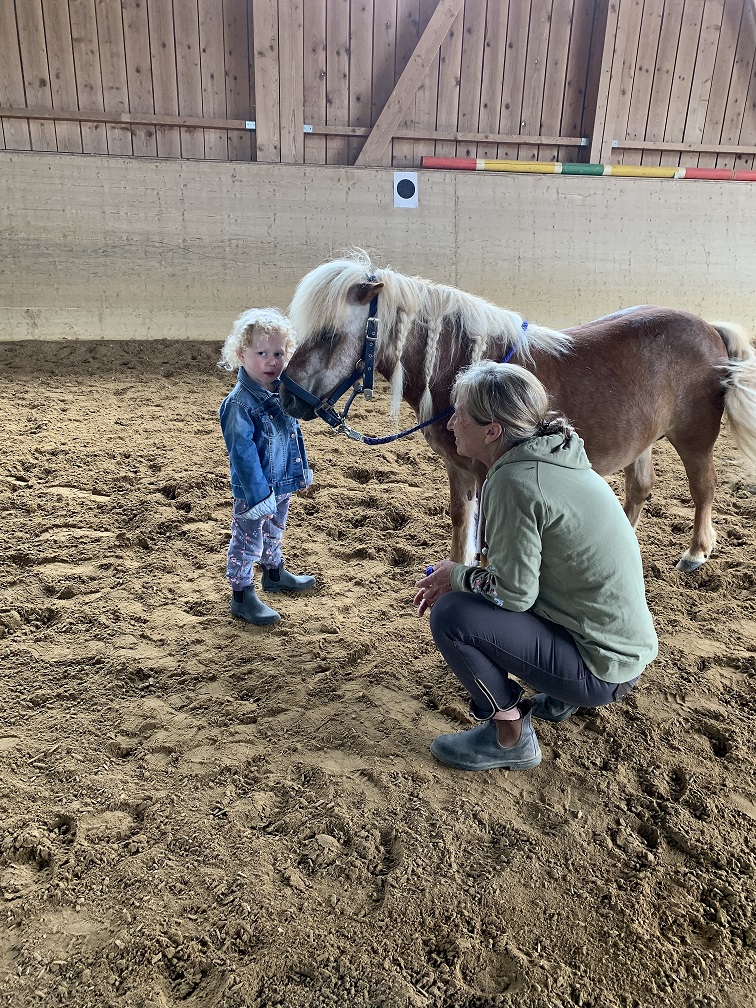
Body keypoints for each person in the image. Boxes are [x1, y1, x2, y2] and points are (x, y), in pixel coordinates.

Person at [414, 361, 658, 772]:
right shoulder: (557, 456)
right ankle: (562, 697)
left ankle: (507, 736)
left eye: (460, 414)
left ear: (493, 432)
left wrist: (455, 574)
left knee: (451, 615)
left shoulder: (514, 483)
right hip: (620, 651)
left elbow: (513, 594)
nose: (451, 422)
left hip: (600, 671)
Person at [218, 308, 315, 626]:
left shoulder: (282, 394)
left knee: (275, 531)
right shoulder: (238, 405)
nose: (272, 361)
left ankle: (274, 573)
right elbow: (242, 457)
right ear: (241, 354)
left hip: (283, 481)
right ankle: (242, 595)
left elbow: (293, 433)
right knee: (248, 539)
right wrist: (260, 498)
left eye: (279, 353)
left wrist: (298, 474)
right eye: (262, 353)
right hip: (254, 492)